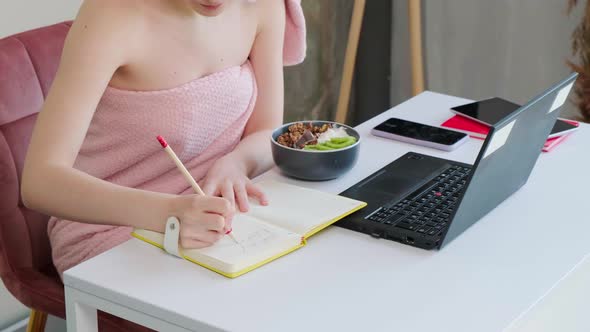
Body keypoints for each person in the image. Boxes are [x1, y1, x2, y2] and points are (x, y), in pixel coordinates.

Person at [20, 0, 306, 276]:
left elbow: (266, 131)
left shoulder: (265, 6)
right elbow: (40, 183)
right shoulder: (112, 14)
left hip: (220, 216)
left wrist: (237, 164)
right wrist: (169, 214)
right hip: (113, 231)